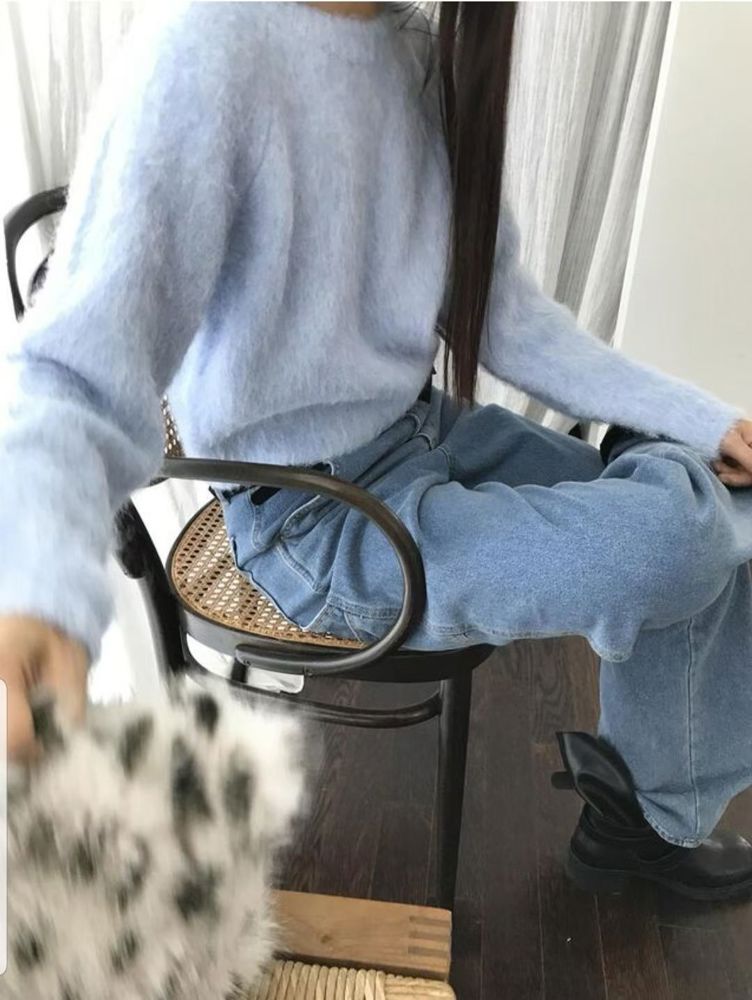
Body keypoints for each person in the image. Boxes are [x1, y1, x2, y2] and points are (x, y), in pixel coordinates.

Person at [2, 1, 752, 900]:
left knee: (720, 493)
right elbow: (76, 371)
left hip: (429, 434)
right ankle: (657, 479)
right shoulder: (207, 48)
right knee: (684, 535)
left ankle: (642, 818)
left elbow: (504, 314)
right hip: (318, 520)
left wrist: (699, 419)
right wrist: (35, 582)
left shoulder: (417, 56)